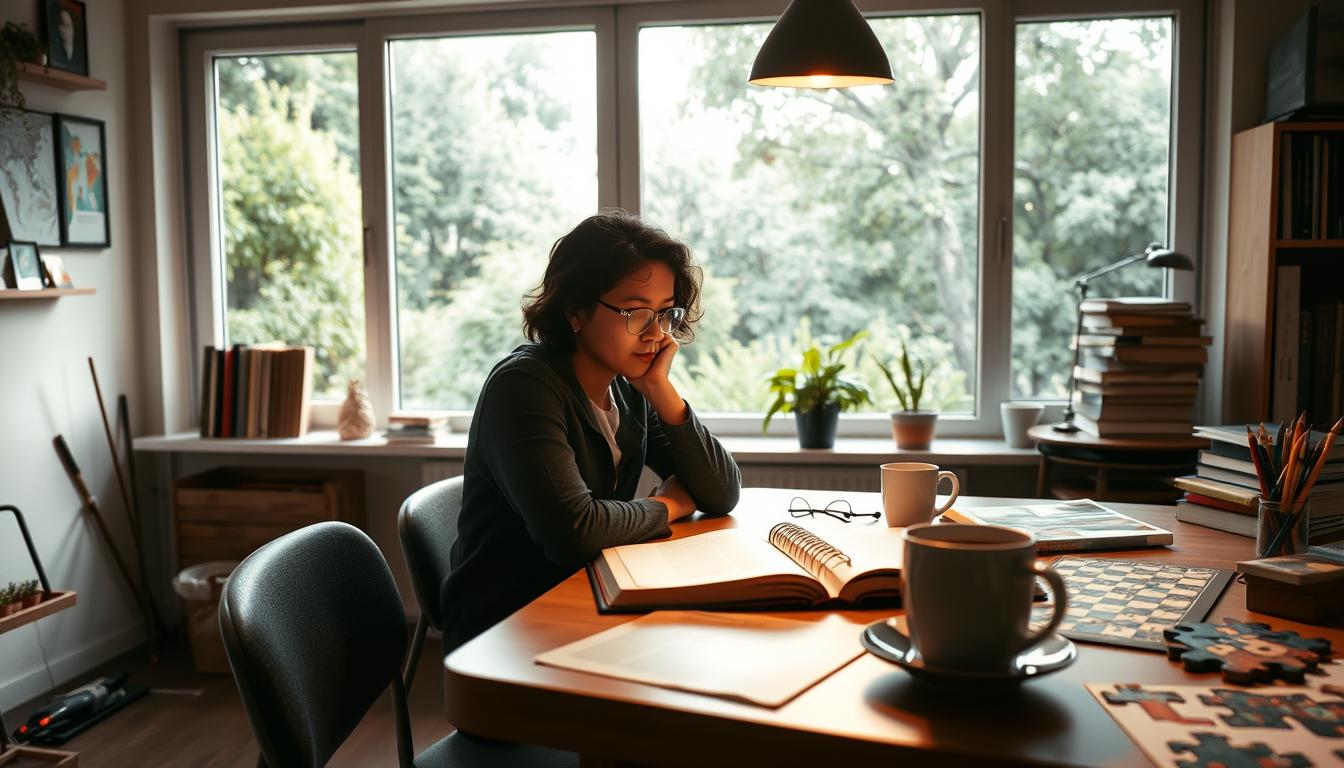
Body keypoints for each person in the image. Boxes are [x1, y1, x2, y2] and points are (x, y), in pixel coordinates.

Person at [441, 211, 742, 653]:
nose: (657, 334)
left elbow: (720, 492)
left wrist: (661, 388)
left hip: (588, 599)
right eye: (636, 313)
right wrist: (669, 505)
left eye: (665, 314)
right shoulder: (524, 387)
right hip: (508, 633)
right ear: (576, 310)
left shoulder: (630, 387)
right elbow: (574, 533)